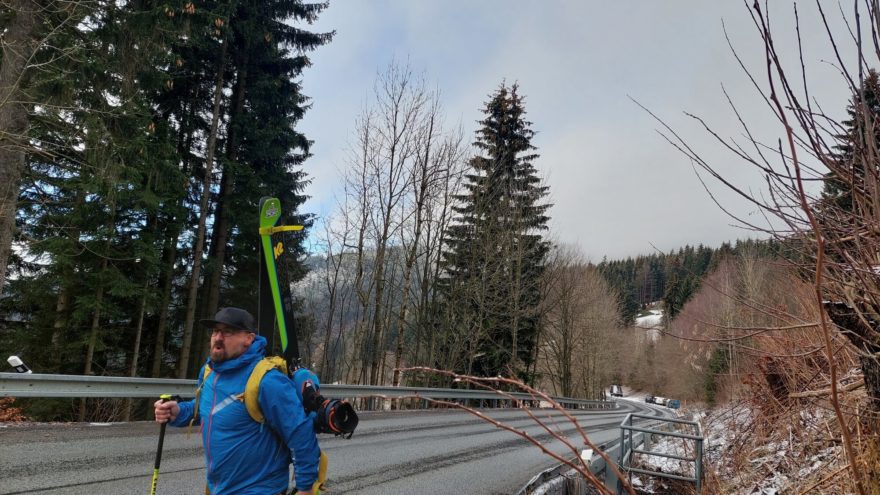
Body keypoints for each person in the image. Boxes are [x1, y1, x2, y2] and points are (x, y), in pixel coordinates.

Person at [154, 307, 319, 495]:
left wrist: (305, 489)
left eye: (228, 332)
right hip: (218, 488)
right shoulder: (209, 373)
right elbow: (210, 409)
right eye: (215, 331)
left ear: (248, 339)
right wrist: (177, 411)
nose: (218, 337)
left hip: (260, 490)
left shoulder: (267, 380)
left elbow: (300, 432)